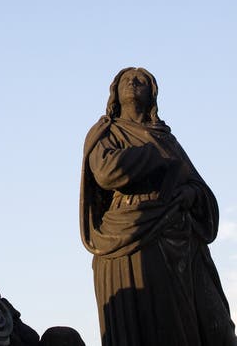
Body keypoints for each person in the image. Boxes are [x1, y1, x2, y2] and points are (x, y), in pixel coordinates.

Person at [80, 67, 237, 346]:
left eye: (141, 80)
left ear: (152, 95)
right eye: (126, 80)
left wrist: (190, 195)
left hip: (178, 236)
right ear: (115, 92)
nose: (133, 82)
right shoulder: (107, 132)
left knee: (214, 327)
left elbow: (199, 189)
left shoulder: (166, 139)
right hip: (131, 231)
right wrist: (151, 156)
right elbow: (106, 171)